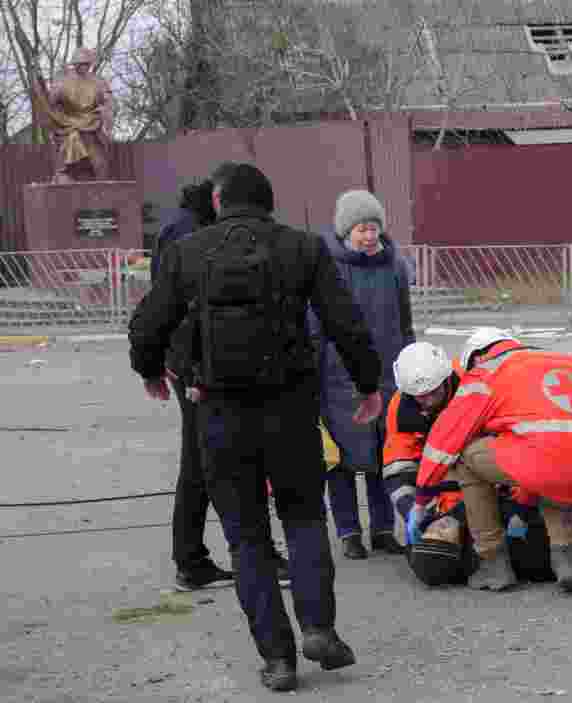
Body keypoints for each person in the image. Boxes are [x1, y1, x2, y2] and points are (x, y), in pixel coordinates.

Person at [128, 162, 383, 692]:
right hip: (290, 409)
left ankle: (278, 659)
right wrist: (368, 384)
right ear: (270, 203)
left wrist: (152, 370)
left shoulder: (187, 252)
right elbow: (346, 322)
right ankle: (319, 628)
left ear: (218, 203)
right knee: (305, 520)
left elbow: (147, 324)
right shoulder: (303, 248)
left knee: (247, 539)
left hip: (219, 414)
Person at [382, 342, 572, 588]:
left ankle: (528, 556)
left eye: (432, 530)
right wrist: (417, 510)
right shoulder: (453, 390)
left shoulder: (467, 380)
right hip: (555, 483)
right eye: (442, 535)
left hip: (522, 482)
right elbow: (404, 464)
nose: (425, 400)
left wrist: (417, 509)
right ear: (458, 548)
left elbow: (437, 454)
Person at [150, 179, 289, 592]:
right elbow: (174, 302)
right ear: (219, 200)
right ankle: (214, 558)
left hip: (197, 359)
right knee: (208, 459)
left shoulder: (188, 225)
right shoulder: (190, 232)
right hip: (197, 363)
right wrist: (178, 361)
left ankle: (195, 559)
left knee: (203, 457)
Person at [308, 190, 414, 560]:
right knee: (340, 460)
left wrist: (409, 365)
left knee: (385, 457)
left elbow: (405, 321)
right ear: (345, 231)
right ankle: (349, 531)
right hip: (339, 379)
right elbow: (315, 325)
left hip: (387, 376)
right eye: (361, 229)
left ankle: (384, 529)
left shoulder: (395, 265)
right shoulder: (328, 267)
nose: (369, 236)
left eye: (373, 228)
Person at [41, 47, 114, 183]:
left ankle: (99, 185)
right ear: (74, 65)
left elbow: (108, 101)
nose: (83, 67)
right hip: (69, 127)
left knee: (99, 163)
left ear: (90, 65)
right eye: (80, 64)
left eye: (86, 64)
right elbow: (51, 103)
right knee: (65, 156)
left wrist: (104, 111)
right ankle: (64, 174)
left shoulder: (98, 82)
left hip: (92, 126)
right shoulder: (63, 82)